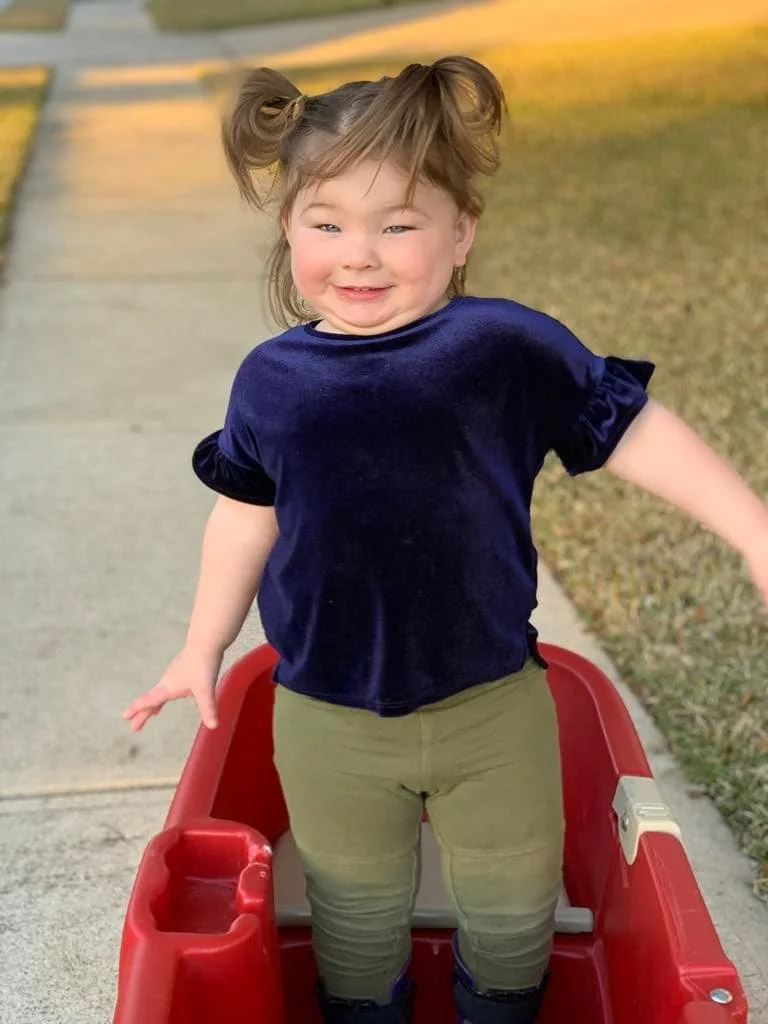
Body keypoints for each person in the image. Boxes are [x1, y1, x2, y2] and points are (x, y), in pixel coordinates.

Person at [122, 56, 768, 1024]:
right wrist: (202, 642)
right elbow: (247, 510)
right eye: (326, 223)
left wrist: (753, 531)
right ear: (289, 229)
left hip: (490, 701)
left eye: (399, 224)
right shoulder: (272, 378)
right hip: (325, 710)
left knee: (512, 910)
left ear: (462, 232)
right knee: (352, 912)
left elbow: (633, 429)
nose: (360, 253)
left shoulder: (503, 347)